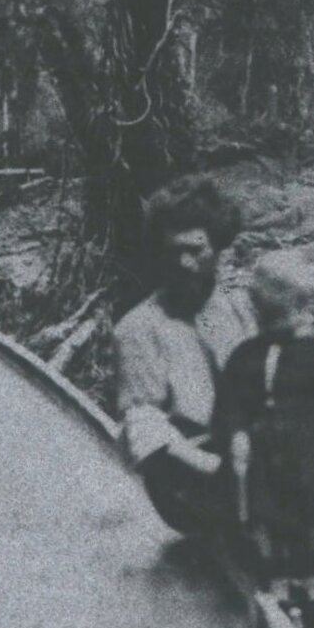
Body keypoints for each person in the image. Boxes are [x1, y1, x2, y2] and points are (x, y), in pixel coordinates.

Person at [212, 253, 314, 628]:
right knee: (274, 544)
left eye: (293, 309)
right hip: (267, 466)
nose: (284, 320)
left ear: (305, 307)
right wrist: (235, 436)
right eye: (271, 311)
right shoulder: (245, 358)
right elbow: (229, 407)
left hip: (312, 466)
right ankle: (280, 614)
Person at [113, 177, 254, 537]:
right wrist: (215, 466)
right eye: (172, 252)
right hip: (190, 480)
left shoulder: (239, 310)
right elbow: (144, 424)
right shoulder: (139, 328)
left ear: (219, 248)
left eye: (196, 250)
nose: (184, 264)